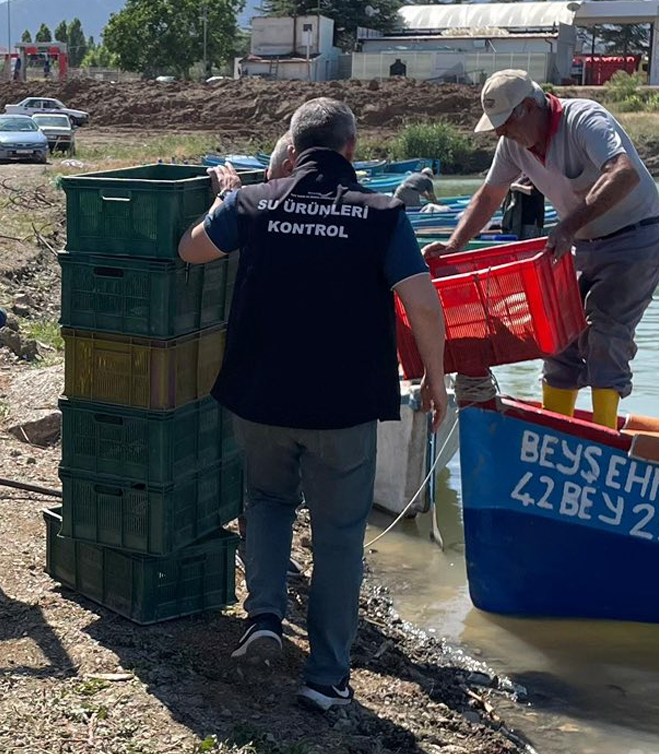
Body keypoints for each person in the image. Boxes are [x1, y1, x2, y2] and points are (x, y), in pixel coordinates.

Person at [178, 98, 447, 711]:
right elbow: (424, 305)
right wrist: (432, 378)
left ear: (293, 151)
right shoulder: (382, 215)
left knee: (268, 502)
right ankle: (326, 679)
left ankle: (265, 618)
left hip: (259, 397)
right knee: (339, 535)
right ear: (351, 150)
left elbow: (190, 250)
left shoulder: (252, 203)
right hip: (343, 407)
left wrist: (227, 196)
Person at [422, 69, 659, 430]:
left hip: (633, 239)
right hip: (580, 243)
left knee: (606, 335)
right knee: (557, 338)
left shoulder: (584, 119)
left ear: (529, 108)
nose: (501, 133)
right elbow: (489, 196)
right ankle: (555, 429)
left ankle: (604, 434)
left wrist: (567, 226)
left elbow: (624, 173)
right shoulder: (513, 145)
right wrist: (454, 244)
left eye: (505, 123)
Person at [500, 176, 545, 240]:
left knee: (529, 242)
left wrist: (517, 187)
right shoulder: (522, 177)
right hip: (519, 220)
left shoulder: (537, 175)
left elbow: (535, 191)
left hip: (532, 220)